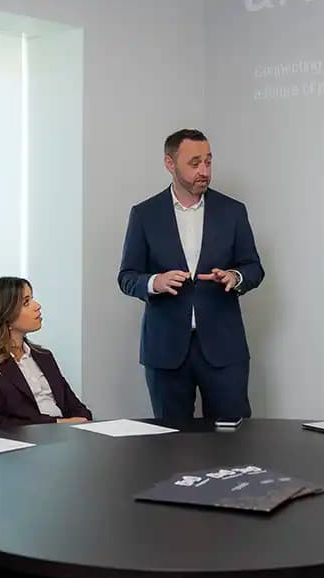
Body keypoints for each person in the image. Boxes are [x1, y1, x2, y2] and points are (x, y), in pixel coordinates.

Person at [117, 129, 264, 420]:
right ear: (170, 164)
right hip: (165, 351)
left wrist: (235, 277)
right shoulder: (145, 214)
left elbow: (253, 267)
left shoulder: (232, 211)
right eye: (195, 163)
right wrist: (154, 282)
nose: (204, 171)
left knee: (233, 438)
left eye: (208, 162)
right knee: (170, 445)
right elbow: (127, 276)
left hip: (224, 349)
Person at [0, 277, 92, 428]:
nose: (37, 306)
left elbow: (76, 408)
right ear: (4, 314)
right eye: (26, 302)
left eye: (32, 299)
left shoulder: (43, 356)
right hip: (19, 446)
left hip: (66, 438)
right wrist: (57, 424)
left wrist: (82, 421)